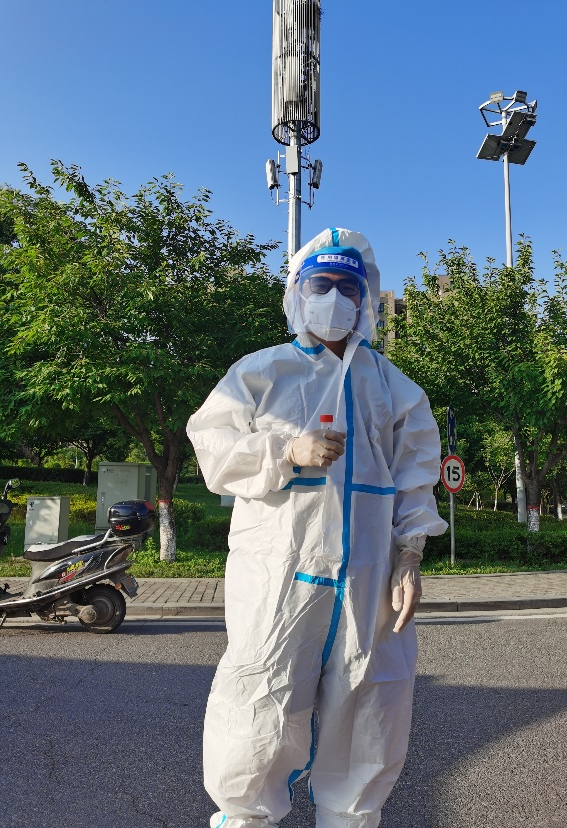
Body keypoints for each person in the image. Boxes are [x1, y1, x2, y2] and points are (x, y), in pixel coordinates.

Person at [187, 227, 447, 828]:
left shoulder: (394, 388)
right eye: (320, 283)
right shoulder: (261, 373)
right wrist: (284, 450)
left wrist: (410, 555)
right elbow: (213, 450)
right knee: (259, 700)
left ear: (365, 300)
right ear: (297, 294)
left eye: (347, 288)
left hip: (369, 579)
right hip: (278, 575)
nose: (333, 297)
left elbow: (415, 478)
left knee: (370, 708)